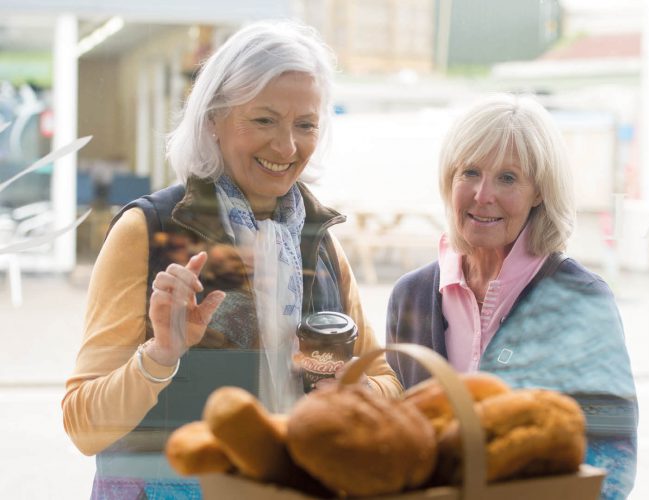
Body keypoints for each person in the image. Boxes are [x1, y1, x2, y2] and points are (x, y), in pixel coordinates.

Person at [62, 21, 401, 499]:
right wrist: (160, 356)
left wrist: (359, 395)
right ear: (212, 121)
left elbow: (386, 380)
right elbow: (82, 425)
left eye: (304, 125)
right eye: (263, 120)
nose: (286, 147)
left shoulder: (320, 242)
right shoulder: (152, 232)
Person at [385, 94, 637, 499]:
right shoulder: (411, 296)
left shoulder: (579, 300)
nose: (484, 194)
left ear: (539, 191)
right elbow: (399, 438)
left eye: (507, 178)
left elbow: (614, 464)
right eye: (470, 172)